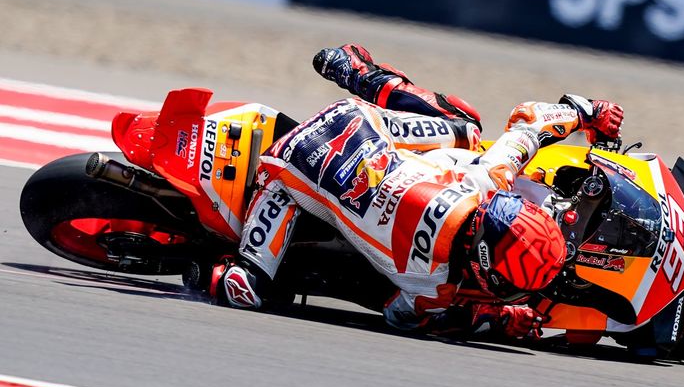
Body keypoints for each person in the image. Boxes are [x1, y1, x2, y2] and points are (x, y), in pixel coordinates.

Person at [210, 44, 623, 339]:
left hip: (355, 120)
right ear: (485, 268)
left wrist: (586, 111)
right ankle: (240, 269)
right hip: (285, 169)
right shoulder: (435, 286)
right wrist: (496, 316)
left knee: (466, 128)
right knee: (249, 287)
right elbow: (402, 318)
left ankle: (356, 72)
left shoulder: (486, 182)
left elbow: (529, 120)